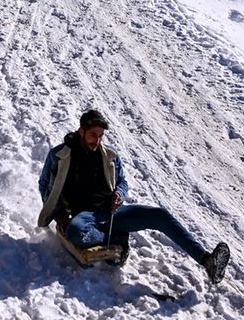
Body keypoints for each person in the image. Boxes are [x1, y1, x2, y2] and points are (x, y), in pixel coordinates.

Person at [38, 109, 232, 285]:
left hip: (112, 213)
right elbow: (44, 183)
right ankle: (116, 238)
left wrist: (119, 195)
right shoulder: (60, 155)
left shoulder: (109, 156)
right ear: (81, 132)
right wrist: (58, 212)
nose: (96, 141)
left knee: (160, 215)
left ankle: (207, 260)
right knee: (76, 232)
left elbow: (122, 182)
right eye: (92, 135)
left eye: (100, 136)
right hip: (84, 217)